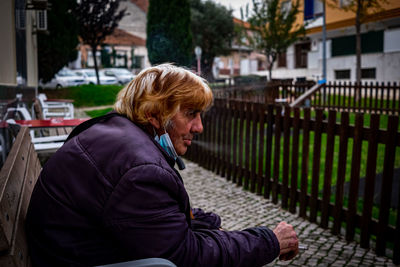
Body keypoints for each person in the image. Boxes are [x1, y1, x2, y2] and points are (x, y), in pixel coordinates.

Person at [26, 64, 299, 267]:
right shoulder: (139, 172)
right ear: (154, 114)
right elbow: (187, 257)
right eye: (191, 114)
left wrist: (208, 222)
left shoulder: (117, 132)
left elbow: (156, 216)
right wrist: (268, 241)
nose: (199, 127)